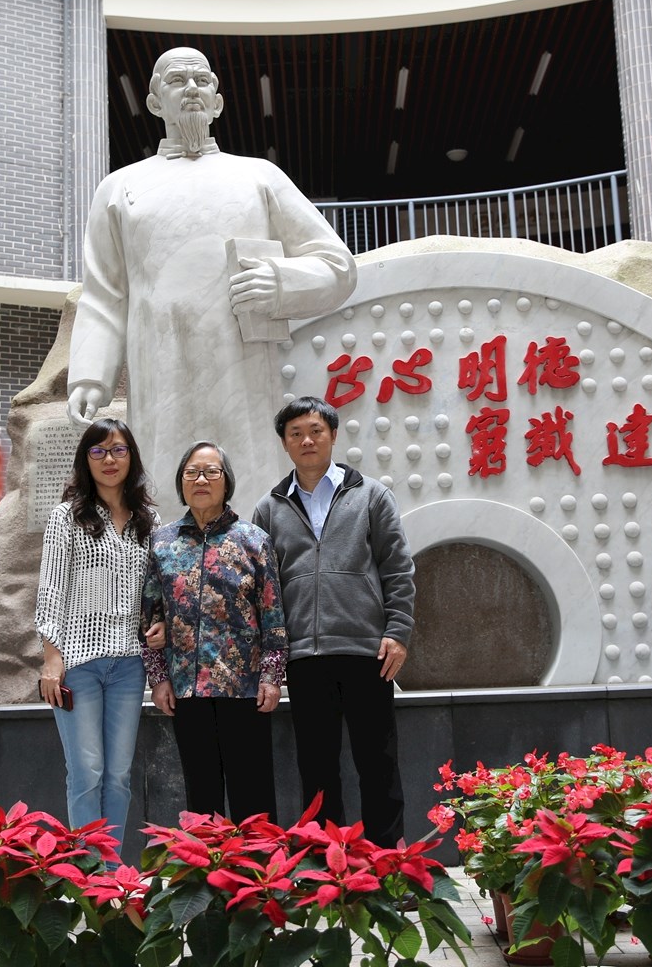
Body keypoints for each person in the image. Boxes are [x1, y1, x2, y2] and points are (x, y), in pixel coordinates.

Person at [67, 46, 356, 518]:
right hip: (160, 370)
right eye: (177, 80)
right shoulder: (119, 188)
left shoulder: (258, 177)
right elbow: (105, 295)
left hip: (242, 369)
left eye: (202, 80)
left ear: (218, 102)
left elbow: (338, 266)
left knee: (249, 494)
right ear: (154, 102)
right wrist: (89, 376)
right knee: (163, 498)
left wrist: (279, 282)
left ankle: (255, 561)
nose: (191, 89)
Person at [251, 396, 415, 848]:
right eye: (296, 434)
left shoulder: (371, 495)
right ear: (285, 443)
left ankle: (387, 861)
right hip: (304, 656)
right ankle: (330, 863)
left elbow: (398, 569)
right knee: (317, 769)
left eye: (315, 431)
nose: (307, 440)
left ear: (333, 435)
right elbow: (263, 588)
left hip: (368, 651)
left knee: (378, 763)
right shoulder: (269, 508)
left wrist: (398, 633)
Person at [142, 441, 287, 821]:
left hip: (244, 688)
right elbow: (149, 617)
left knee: (253, 798)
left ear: (226, 481)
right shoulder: (162, 544)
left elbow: (273, 617)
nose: (201, 480)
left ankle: (258, 861)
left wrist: (271, 677)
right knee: (201, 798)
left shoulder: (253, 541)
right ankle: (207, 862)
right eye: (191, 472)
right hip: (186, 690)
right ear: (181, 482)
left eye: (211, 472)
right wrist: (158, 678)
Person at [35, 419, 159, 843]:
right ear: (85, 459)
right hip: (78, 663)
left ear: (131, 458)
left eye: (119, 450)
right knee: (86, 771)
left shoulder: (148, 520)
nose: (110, 459)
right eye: (98, 451)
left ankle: (110, 869)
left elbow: (152, 592)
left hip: (129, 665)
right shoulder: (66, 517)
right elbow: (51, 589)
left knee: (119, 775)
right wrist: (52, 657)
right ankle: (87, 870)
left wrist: (157, 625)